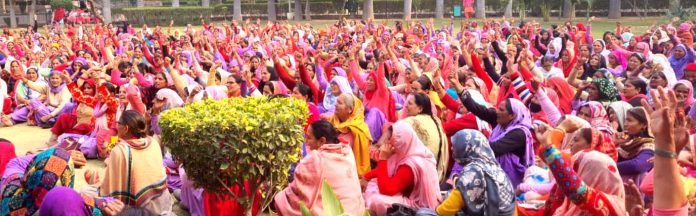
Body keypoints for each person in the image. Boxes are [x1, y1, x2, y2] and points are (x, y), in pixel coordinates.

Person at [84, 110, 174, 215]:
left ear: (126, 128)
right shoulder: (153, 142)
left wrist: (98, 183)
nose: (117, 126)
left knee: (85, 191)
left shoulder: (120, 150)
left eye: (118, 123)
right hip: (164, 203)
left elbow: (110, 192)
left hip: (139, 210)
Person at [274, 120, 365, 215]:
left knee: (281, 198)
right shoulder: (347, 150)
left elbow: (298, 196)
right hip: (356, 211)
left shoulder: (316, 158)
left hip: (336, 213)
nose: (306, 142)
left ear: (322, 141)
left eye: (309, 138)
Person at [418, 129, 515, 216]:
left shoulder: (473, 171)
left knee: (423, 213)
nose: (452, 149)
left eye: (455, 146)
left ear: (466, 148)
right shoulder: (493, 166)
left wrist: (436, 210)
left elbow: (444, 211)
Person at [363, 121, 440, 215]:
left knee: (377, 200)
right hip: (405, 193)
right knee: (374, 183)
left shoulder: (411, 164)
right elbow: (388, 169)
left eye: (388, 140)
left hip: (417, 205)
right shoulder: (410, 149)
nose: (385, 143)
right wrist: (365, 177)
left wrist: (383, 159)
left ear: (398, 142)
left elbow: (387, 190)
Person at [460, 91, 534, 188]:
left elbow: (495, 148)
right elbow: (478, 110)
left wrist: (468, 145)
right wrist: (460, 90)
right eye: (498, 108)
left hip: (510, 181)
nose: (497, 112)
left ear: (512, 116)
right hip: (494, 175)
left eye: (501, 110)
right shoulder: (501, 121)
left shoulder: (519, 134)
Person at [402, 93, 449, 182]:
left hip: (423, 175)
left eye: (410, 104)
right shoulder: (435, 120)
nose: (406, 106)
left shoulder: (413, 121)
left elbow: (394, 130)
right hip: (436, 174)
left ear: (420, 108)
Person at [327, 93, 372, 177]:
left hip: (347, 172)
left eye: (340, 103)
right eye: (336, 101)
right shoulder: (333, 120)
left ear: (350, 109)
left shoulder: (356, 129)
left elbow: (339, 153)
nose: (335, 104)